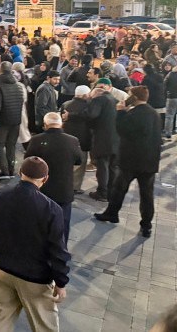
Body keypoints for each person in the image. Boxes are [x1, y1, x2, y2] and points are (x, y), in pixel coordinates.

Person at [0, 157, 70, 332]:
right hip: (35, 279)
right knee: (44, 325)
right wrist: (61, 281)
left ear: (20, 172)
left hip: (2, 269)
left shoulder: (0, 195)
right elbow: (57, 250)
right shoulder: (52, 209)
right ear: (45, 179)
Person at [94, 86, 161, 237]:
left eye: (130, 94)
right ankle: (146, 226)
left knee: (119, 189)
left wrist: (120, 112)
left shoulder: (134, 114)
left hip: (131, 161)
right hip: (149, 162)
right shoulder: (154, 113)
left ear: (135, 97)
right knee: (147, 195)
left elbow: (122, 129)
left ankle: (112, 213)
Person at [24, 112, 83, 243]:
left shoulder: (36, 140)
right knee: (62, 225)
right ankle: (61, 253)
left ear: (45, 125)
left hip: (41, 190)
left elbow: (27, 162)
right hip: (64, 190)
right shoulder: (72, 140)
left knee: (39, 224)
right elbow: (79, 161)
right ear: (61, 123)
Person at [64, 81, 119, 202]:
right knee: (112, 167)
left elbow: (90, 114)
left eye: (90, 97)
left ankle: (102, 193)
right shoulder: (114, 100)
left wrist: (70, 116)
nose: (89, 99)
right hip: (116, 139)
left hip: (103, 139)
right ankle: (111, 192)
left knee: (102, 166)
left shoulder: (99, 100)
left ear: (95, 94)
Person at [0, 62, 25, 178]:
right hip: (16, 120)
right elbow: (21, 102)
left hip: (2, 121)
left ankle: (4, 170)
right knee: (11, 146)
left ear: (0, 70)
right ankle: (11, 169)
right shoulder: (18, 85)